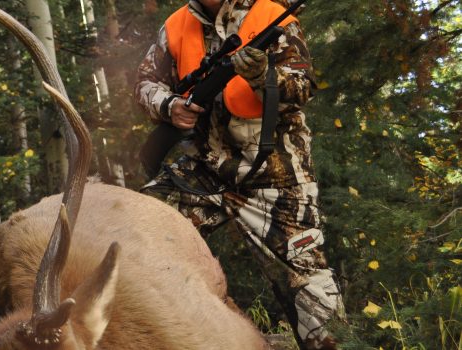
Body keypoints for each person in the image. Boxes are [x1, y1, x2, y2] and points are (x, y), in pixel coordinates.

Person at [134, 1, 344, 349]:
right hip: (202, 170)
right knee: (136, 235)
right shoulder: (174, 26)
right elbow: (144, 82)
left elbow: (303, 87)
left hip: (276, 173)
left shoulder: (271, 16)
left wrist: (264, 76)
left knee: (315, 299)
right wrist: (169, 106)